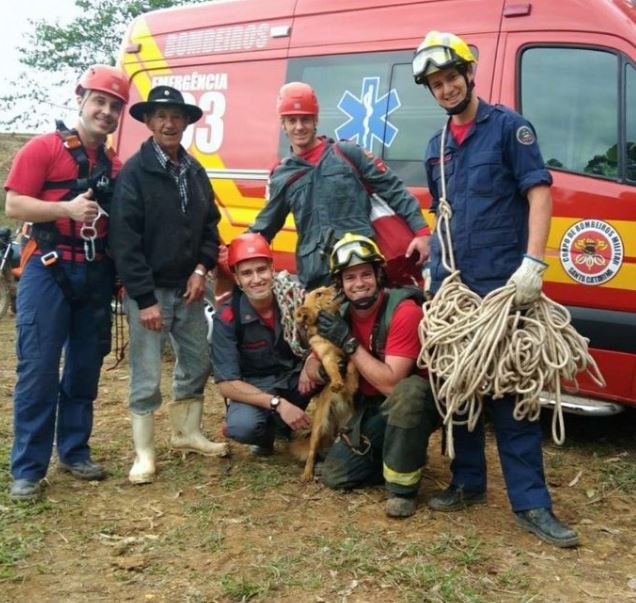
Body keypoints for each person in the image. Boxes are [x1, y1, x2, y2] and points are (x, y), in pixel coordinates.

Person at [412, 30, 579, 547]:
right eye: (435, 84)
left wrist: (533, 262)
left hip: (504, 290)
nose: (445, 89)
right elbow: (444, 212)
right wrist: (430, 259)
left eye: (450, 78)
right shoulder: (435, 146)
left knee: (511, 397)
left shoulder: (510, 129)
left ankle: (531, 504)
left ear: (468, 74)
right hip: (454, 291)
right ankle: (467, 484)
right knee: (459, 392)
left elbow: (539, 193)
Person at [4, 65, 130, 501]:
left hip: (96, 273)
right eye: (100, 101)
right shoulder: (44, 148)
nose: (107, 111)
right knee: (38, 369)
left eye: (115, 106)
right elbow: (14, 204)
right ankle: (27, 468)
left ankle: (74, 449)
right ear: (81, 99)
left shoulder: (115, 165)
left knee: (83, 368)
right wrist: (67, 211)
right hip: (49, 266)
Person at [110, 85, 228, 485]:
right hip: (150, 294)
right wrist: (144, 299)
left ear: (186, 123)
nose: (169, 123)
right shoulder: (134, 173)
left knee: (197, 361)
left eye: (176, 116)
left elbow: (211, 227)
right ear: (147, 122)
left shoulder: (195, 171)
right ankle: (144, 454)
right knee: (146, 374)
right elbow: (124, 241)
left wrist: (201, 268)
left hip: (189, 288)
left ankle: (186, 433)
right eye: (160, 116)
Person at [249, 81, 431, 290]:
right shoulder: (282, 175)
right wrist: (233, 252)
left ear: (316, 120)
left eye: (306, 119)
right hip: (319, 279)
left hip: (361, 271)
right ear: (283, 124)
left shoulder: (347, 153)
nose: (299, 127)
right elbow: (264, 227)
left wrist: (422, 231)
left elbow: (394, 190)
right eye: (292, 120)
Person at [313, 233, 440, 518]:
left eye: (365, 275)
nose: (359, 284)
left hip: (412, 402)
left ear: (378, 275)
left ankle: (402, 491)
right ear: (340, 285)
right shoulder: (340, 314)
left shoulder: (404, 311)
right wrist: (321, 366)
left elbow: (392, 384)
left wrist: (348, 344)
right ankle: (398, 453)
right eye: (350, 278)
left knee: (409, 391)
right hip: (370, 408)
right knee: (335, 476)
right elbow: (310, 369)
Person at [212, 233, 313, 456]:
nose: (256, 279)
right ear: (237, 279)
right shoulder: (228, 317)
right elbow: (227, 384)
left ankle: (332, 431)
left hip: (295, 379)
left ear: (272, 269)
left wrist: (312, 361)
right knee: (241, 427)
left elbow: (322, 337)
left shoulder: (294, 298)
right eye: (247, 273)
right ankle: (269, 432)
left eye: (261, 270)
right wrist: (278, 404)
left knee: (328, 368)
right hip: (257, 386)